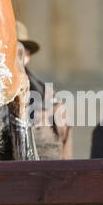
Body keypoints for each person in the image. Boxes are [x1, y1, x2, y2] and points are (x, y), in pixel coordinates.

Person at [17, 20, 72, 160]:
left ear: (27, 55)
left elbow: (64, 152)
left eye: (20, 50)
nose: (14, 56)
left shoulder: (50, 100)